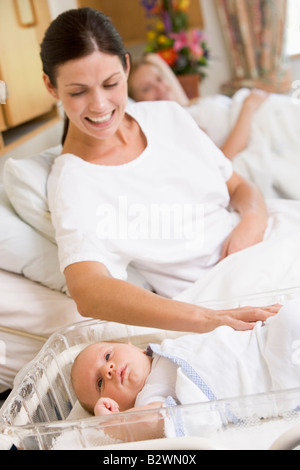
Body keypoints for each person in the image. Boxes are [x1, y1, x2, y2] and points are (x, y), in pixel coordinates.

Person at [41, 8, 279, 335]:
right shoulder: (74, 182)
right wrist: (208, 319)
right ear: (51, 87)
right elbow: (88, 291)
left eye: (110, 83)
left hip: (269, 241)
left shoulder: (167, 117)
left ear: (126, 66)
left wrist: (251, 222)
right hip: (226, 293)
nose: (99, 105)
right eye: (78, 92)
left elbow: (239, 187)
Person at [71, 300, 300, 441]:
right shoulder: (149, 398)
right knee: (291, 320)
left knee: (289, 314)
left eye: (108, 356)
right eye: (100, 384)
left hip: (261, 339)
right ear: (117, 406)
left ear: (134, 347)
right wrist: (115, 424)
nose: (108, 369)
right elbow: (153, 422)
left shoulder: (165, 350)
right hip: (271, 375)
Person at [128, 56, 269, 160]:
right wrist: (248, 107)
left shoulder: (185, 106)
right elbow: (223, 158)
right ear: (137, 103)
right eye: (146, 88)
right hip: (258, 121)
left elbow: (154, 59)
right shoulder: (175, 126)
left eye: (159, 79)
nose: (160, 88)